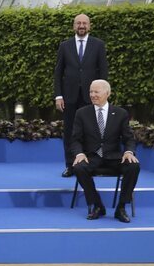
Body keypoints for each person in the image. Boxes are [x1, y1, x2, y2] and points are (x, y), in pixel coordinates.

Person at [70, 80, 140, 223]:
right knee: (78, 167)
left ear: (107, 93)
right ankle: (97, 205)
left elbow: (129, 138)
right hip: (92, 157)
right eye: (91, 92)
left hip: (114, 157)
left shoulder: (121, 113)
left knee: (133, 166)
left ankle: (121, 208)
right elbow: (75, 139)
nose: (93, 95)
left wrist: (129, 152)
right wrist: (79, 153)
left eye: (96, 92)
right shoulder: (81, 113)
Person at [54, 14, 107, 177]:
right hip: (69, 97)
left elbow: (103, 71)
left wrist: (103, 95)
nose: (81, 25)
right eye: (78, 23)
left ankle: (91, 166)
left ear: (89, 26)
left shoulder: (98, 45)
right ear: (74, 26)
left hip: (91, 97)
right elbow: (58, 73)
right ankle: (71, 166)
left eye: (84, 23)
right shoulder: (65, 46)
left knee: (92, 132)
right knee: (69, 132)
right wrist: (58, 96)